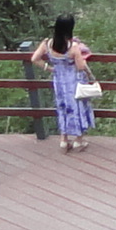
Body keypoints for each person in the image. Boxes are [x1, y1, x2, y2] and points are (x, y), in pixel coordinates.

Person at [34, 15, 95, 152]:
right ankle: (78, 141)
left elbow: (34, 58)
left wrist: (49, 68)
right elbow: (80, 67)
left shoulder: (47, 43)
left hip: (59, 81)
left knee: (62, 107)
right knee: (77, 108)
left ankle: (63, 139)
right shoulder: (73, 47)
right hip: (74, 81)